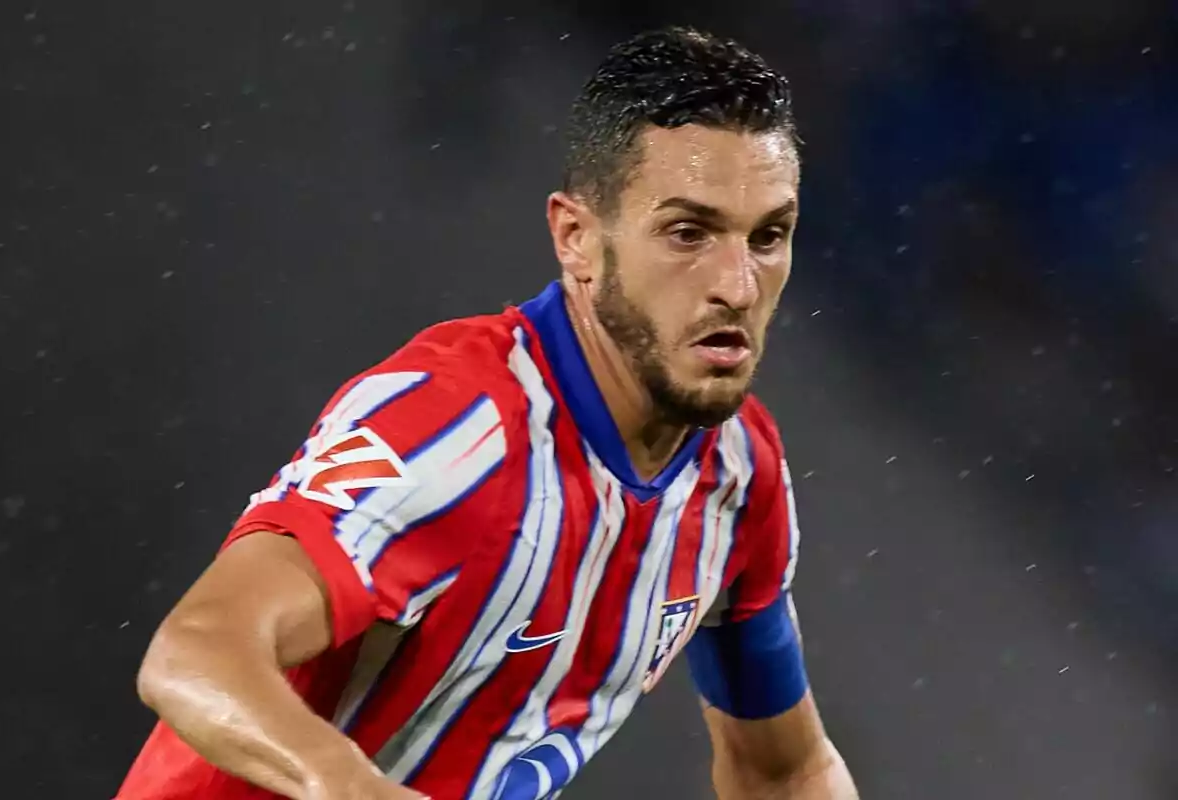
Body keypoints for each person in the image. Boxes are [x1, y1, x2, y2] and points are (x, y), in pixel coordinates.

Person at [118, 25, 859, 800]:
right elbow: (197, 652)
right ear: (576, 239)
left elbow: (785, 771)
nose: (739, 285)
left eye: (769, 236)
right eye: (688, 233)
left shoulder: (737, 477)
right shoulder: (453, 426)